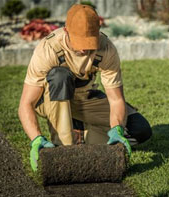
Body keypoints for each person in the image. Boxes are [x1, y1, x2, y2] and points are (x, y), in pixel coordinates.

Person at [18, 4, 152, 172]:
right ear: (66, 30)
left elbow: (116, 99)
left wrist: (117, 129)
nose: (84, 48)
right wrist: (36, 139)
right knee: (60, 76)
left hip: (85, 99)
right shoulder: (48, 49)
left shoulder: (106, 49)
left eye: (89, 41)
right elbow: (26, 103)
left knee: (139, 129)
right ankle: (64, 146)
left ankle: (80, 132)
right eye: (79, 41)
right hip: (52, 100)